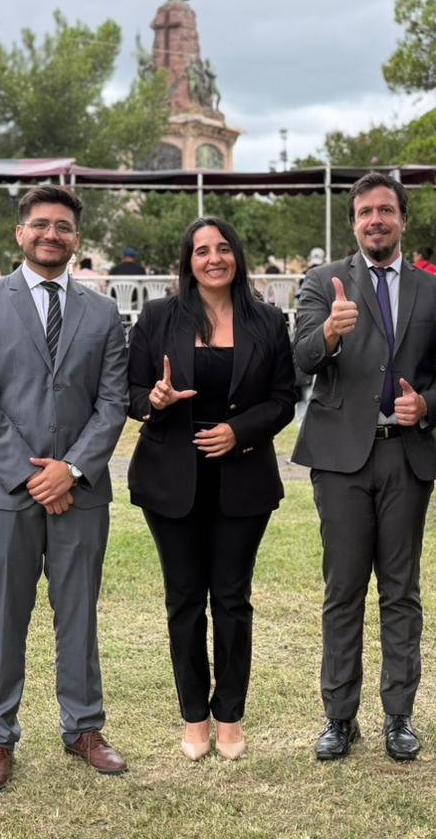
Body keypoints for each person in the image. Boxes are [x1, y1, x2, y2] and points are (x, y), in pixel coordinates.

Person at [0, 184, 129, 789]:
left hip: (82, 492)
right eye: (40, 224)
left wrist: (71, 470)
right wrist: (34, 476)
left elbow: (113, 403)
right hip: (7, 493)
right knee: (5, 618)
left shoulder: (103, 312)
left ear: (76, 238)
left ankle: (84, 727)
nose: (51, 234)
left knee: (78, 614)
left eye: (62, 226)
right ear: (20, 233)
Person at [292, 172, 436, 762]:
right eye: (365, 212)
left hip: (406, 455)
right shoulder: (323, 282)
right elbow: (301, 357)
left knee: (401, 590)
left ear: (403, 219)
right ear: (354, 222)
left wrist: (427, 405)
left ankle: (399, 716)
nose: (375, 220)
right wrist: (330, 334)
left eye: (386, 210)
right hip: (340, 459)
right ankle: (339, 717)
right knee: (343, 590)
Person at [127, 217, 296, 761]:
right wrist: (154, 400)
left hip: (242, 478)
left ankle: (230, 716)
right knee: (183, 600)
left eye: (223, 248)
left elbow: (284, 398)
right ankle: (194, 716)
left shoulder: (267, 320)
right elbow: (131, 392)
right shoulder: (158, 316)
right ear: (188, 261)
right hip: (170, 479)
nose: (214, 258)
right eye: (202, 251)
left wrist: (239, 432)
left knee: (231, 599)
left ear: (236, 256)